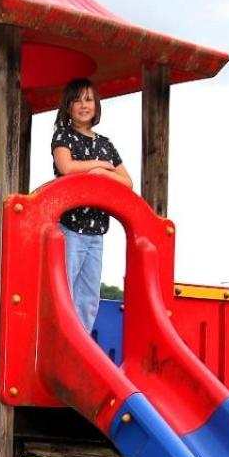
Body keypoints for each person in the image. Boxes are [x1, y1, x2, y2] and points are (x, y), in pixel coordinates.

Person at [50, 78, 134, 332]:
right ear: (68, 107)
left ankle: (81, 343)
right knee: (65, 287)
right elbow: (67, 167)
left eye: (88, 99)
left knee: (88, 296)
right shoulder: (64, 136)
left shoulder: (105, 144)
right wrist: (98, 166)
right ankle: (61, 337)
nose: (84, 105)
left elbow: (126, 182)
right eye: (77, 100)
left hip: (96, 231)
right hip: (70, 228)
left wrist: (106, 173)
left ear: (96, 105)